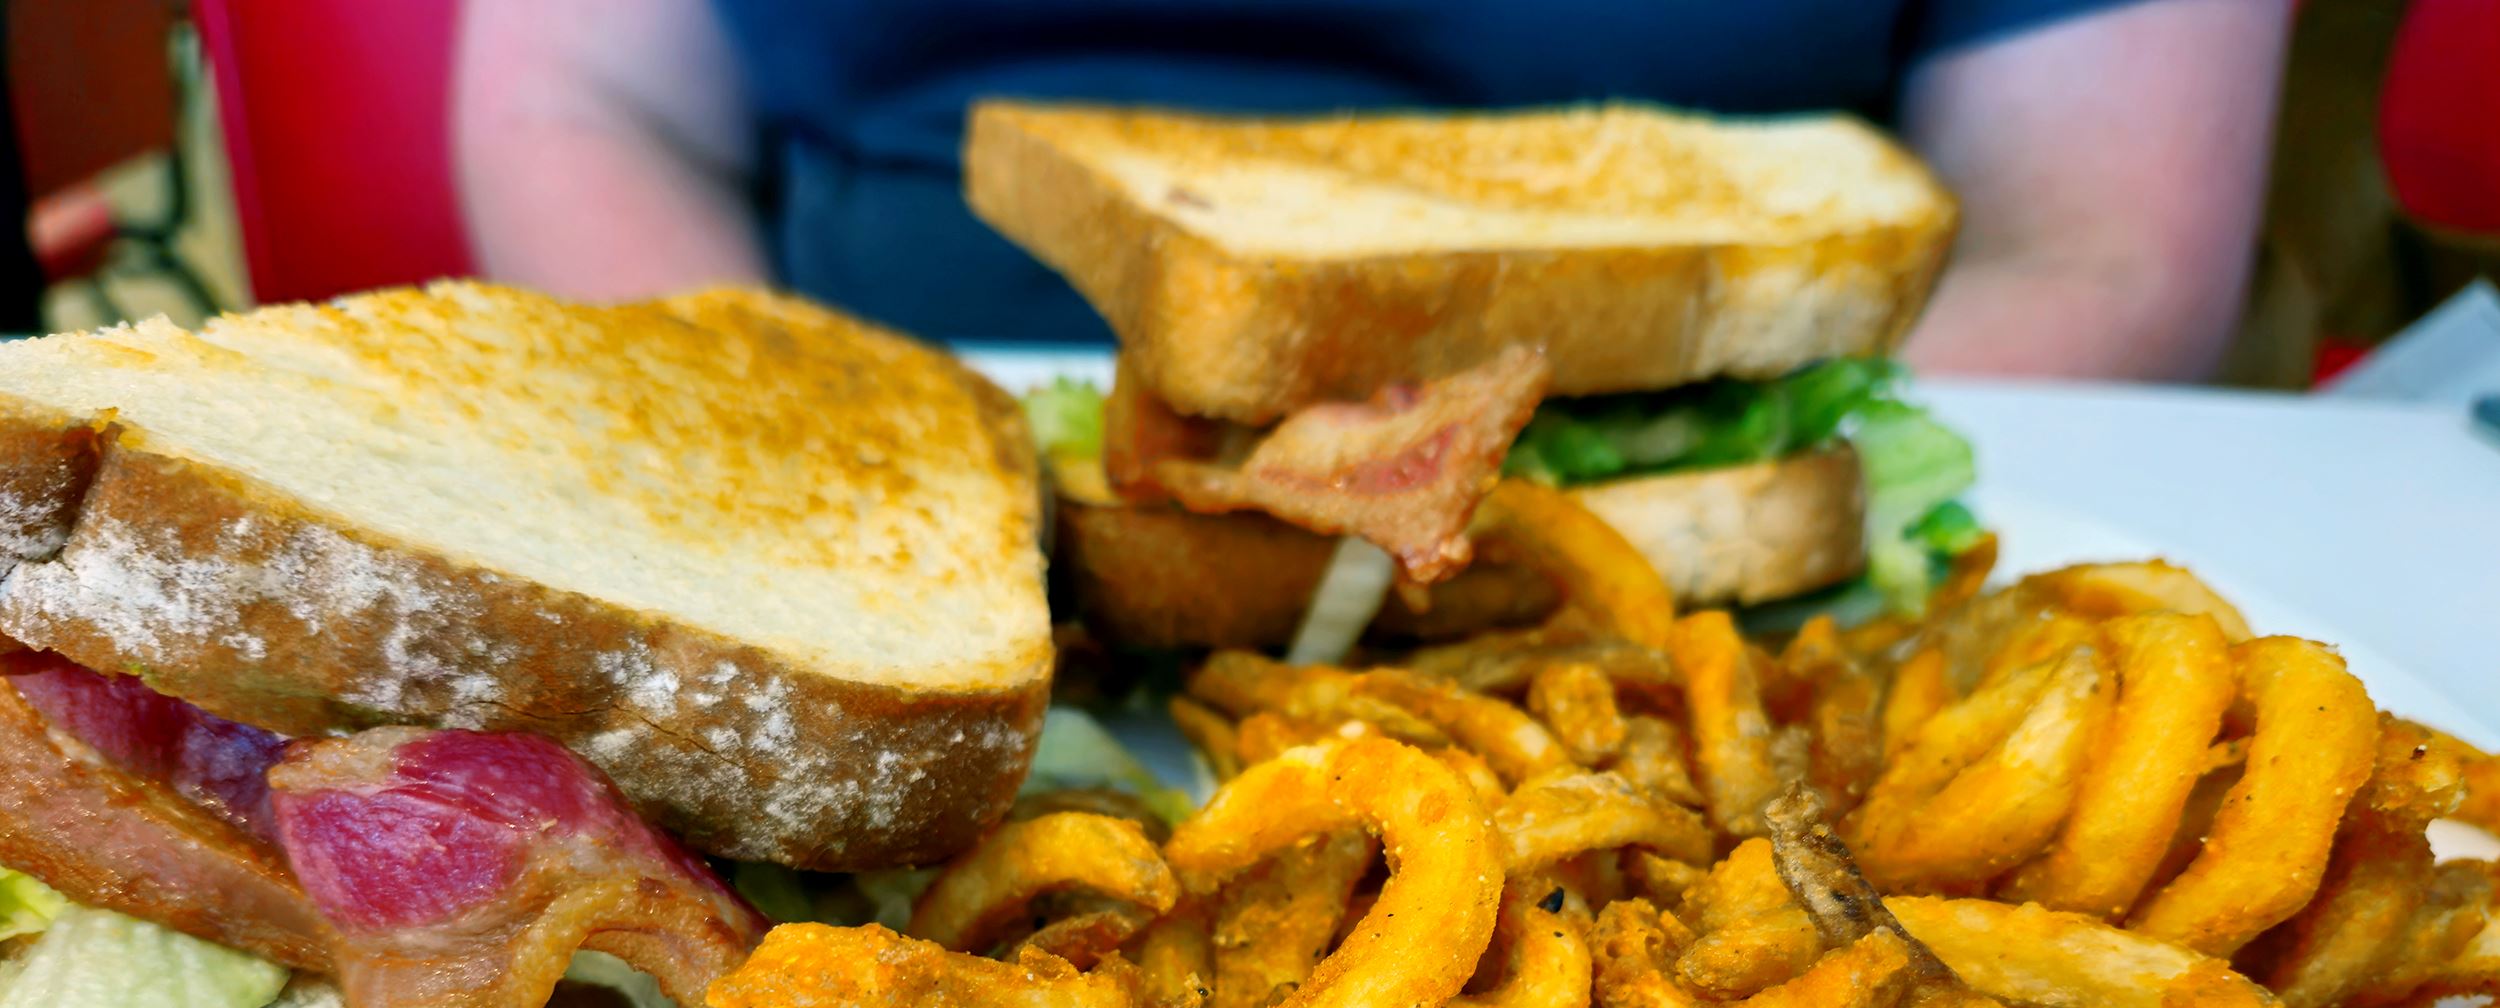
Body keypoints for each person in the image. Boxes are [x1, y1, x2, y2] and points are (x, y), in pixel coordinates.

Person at [455, 0, 2293, 382]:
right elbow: (581, 96)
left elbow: (2098, 240)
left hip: (1753, 451)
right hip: (861, 415)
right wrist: (764, 419)